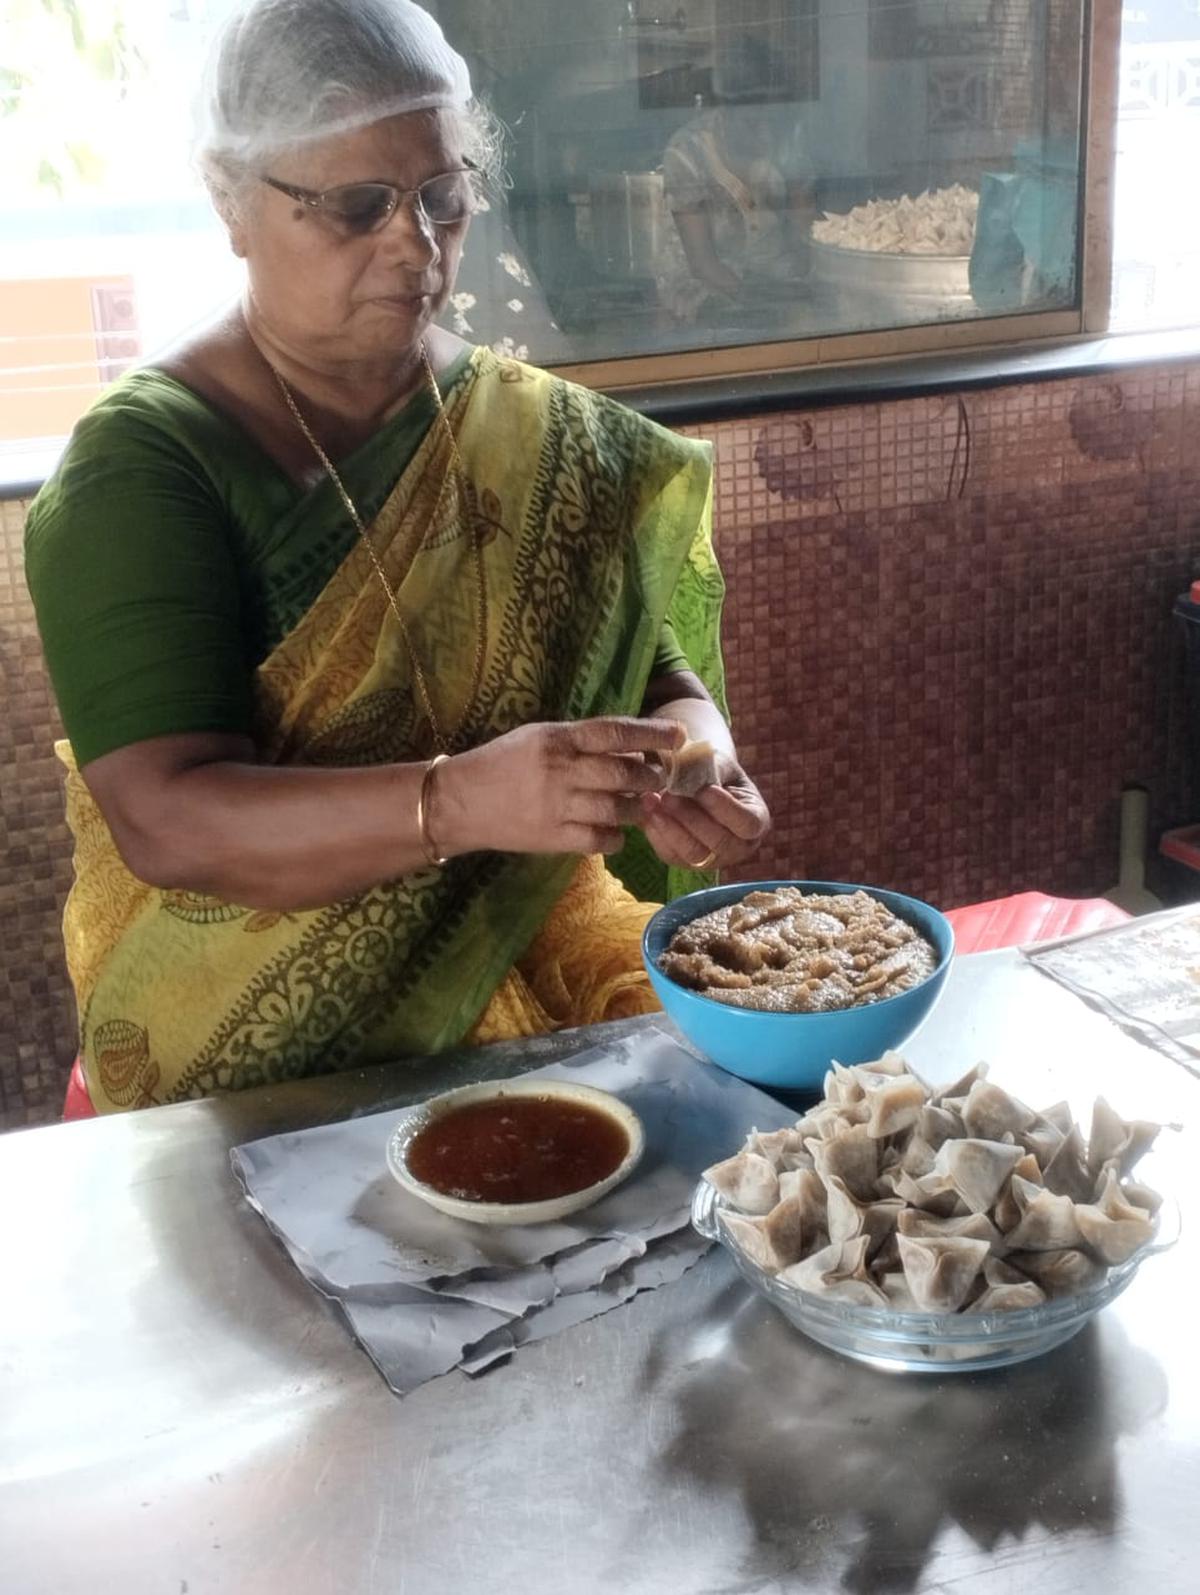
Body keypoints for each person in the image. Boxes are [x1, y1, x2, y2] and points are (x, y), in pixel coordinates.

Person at [24, 0, 769, 1114]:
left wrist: (691, 755)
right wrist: (459, 803)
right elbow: (165, 818)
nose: (415, 245)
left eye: (443, 196)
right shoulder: (146, 470)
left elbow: (647, 664)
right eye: (357, 206)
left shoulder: (525, 430)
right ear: (232, 202)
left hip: (533, 937)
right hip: (259, 1025)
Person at [656, 30, 814, 327]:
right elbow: (703, 264)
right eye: (753, 121)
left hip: (775, 281)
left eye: (773, 117)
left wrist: (806, 283)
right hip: (705, 292)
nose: (766, 132)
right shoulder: (688, 151)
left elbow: (805, 231)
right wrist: (762, 303)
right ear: (726, 109)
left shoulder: (790, 140)